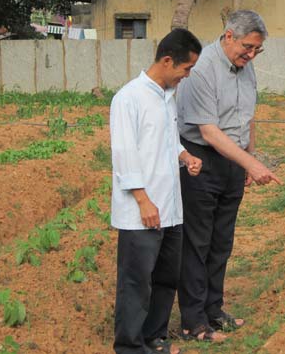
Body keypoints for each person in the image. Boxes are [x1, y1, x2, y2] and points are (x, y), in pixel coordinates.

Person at [176, 10, 282, 342]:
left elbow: (247, 116)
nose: (251, 55)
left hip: (233, 160)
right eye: (247, 47)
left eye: (257, 50)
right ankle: (193, 321)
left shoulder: (246, 69)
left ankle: (213, 310)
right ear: (229, 36)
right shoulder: (202, 69)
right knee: (198, 242)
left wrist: (249, 157)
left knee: (221, 241)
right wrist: (252, 164)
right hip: (201, 159)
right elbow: (208, 131)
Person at [110, 28, 203, 354]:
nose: (186, 75)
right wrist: (143, 201)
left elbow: (166, 140)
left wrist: (185, 156)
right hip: (143, 211)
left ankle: (154, 338)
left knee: (165, 278)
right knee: (136, 282)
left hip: (170, 207)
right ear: (167, 61)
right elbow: (125, 154)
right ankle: (130, 346)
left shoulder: (167, 97)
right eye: (186, 68)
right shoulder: (129, 98)